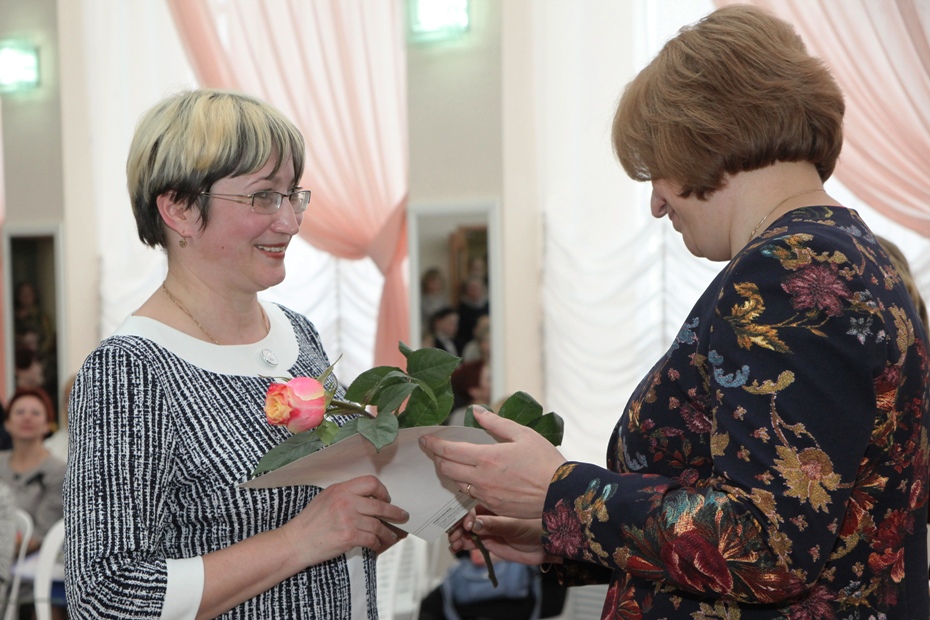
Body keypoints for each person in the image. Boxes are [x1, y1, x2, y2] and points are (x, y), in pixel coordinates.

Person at [420, 6, 930, 618]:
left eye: (657, 168)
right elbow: (811, 524)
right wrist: (557, 532)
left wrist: (562, 493)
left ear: (706, 136)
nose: (658, 202)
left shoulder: (791, 270)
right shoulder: (852, 256)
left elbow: (767, 546)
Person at [64, 89, 409, 619]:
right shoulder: (130, 371)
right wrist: (301, 542)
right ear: (178, 208)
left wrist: (364, 525)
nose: (290, 223)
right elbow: (106, 597)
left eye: (293, 195)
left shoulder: (299, 336)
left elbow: (321, 524)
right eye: (263, 197)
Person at [0, 388, 65, 556]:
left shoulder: (59, 471)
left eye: (35, 413)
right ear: (7, 423)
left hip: (34, 566)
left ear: (46, 425)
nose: (27, 417)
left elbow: (41, 535)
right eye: (20, 412)